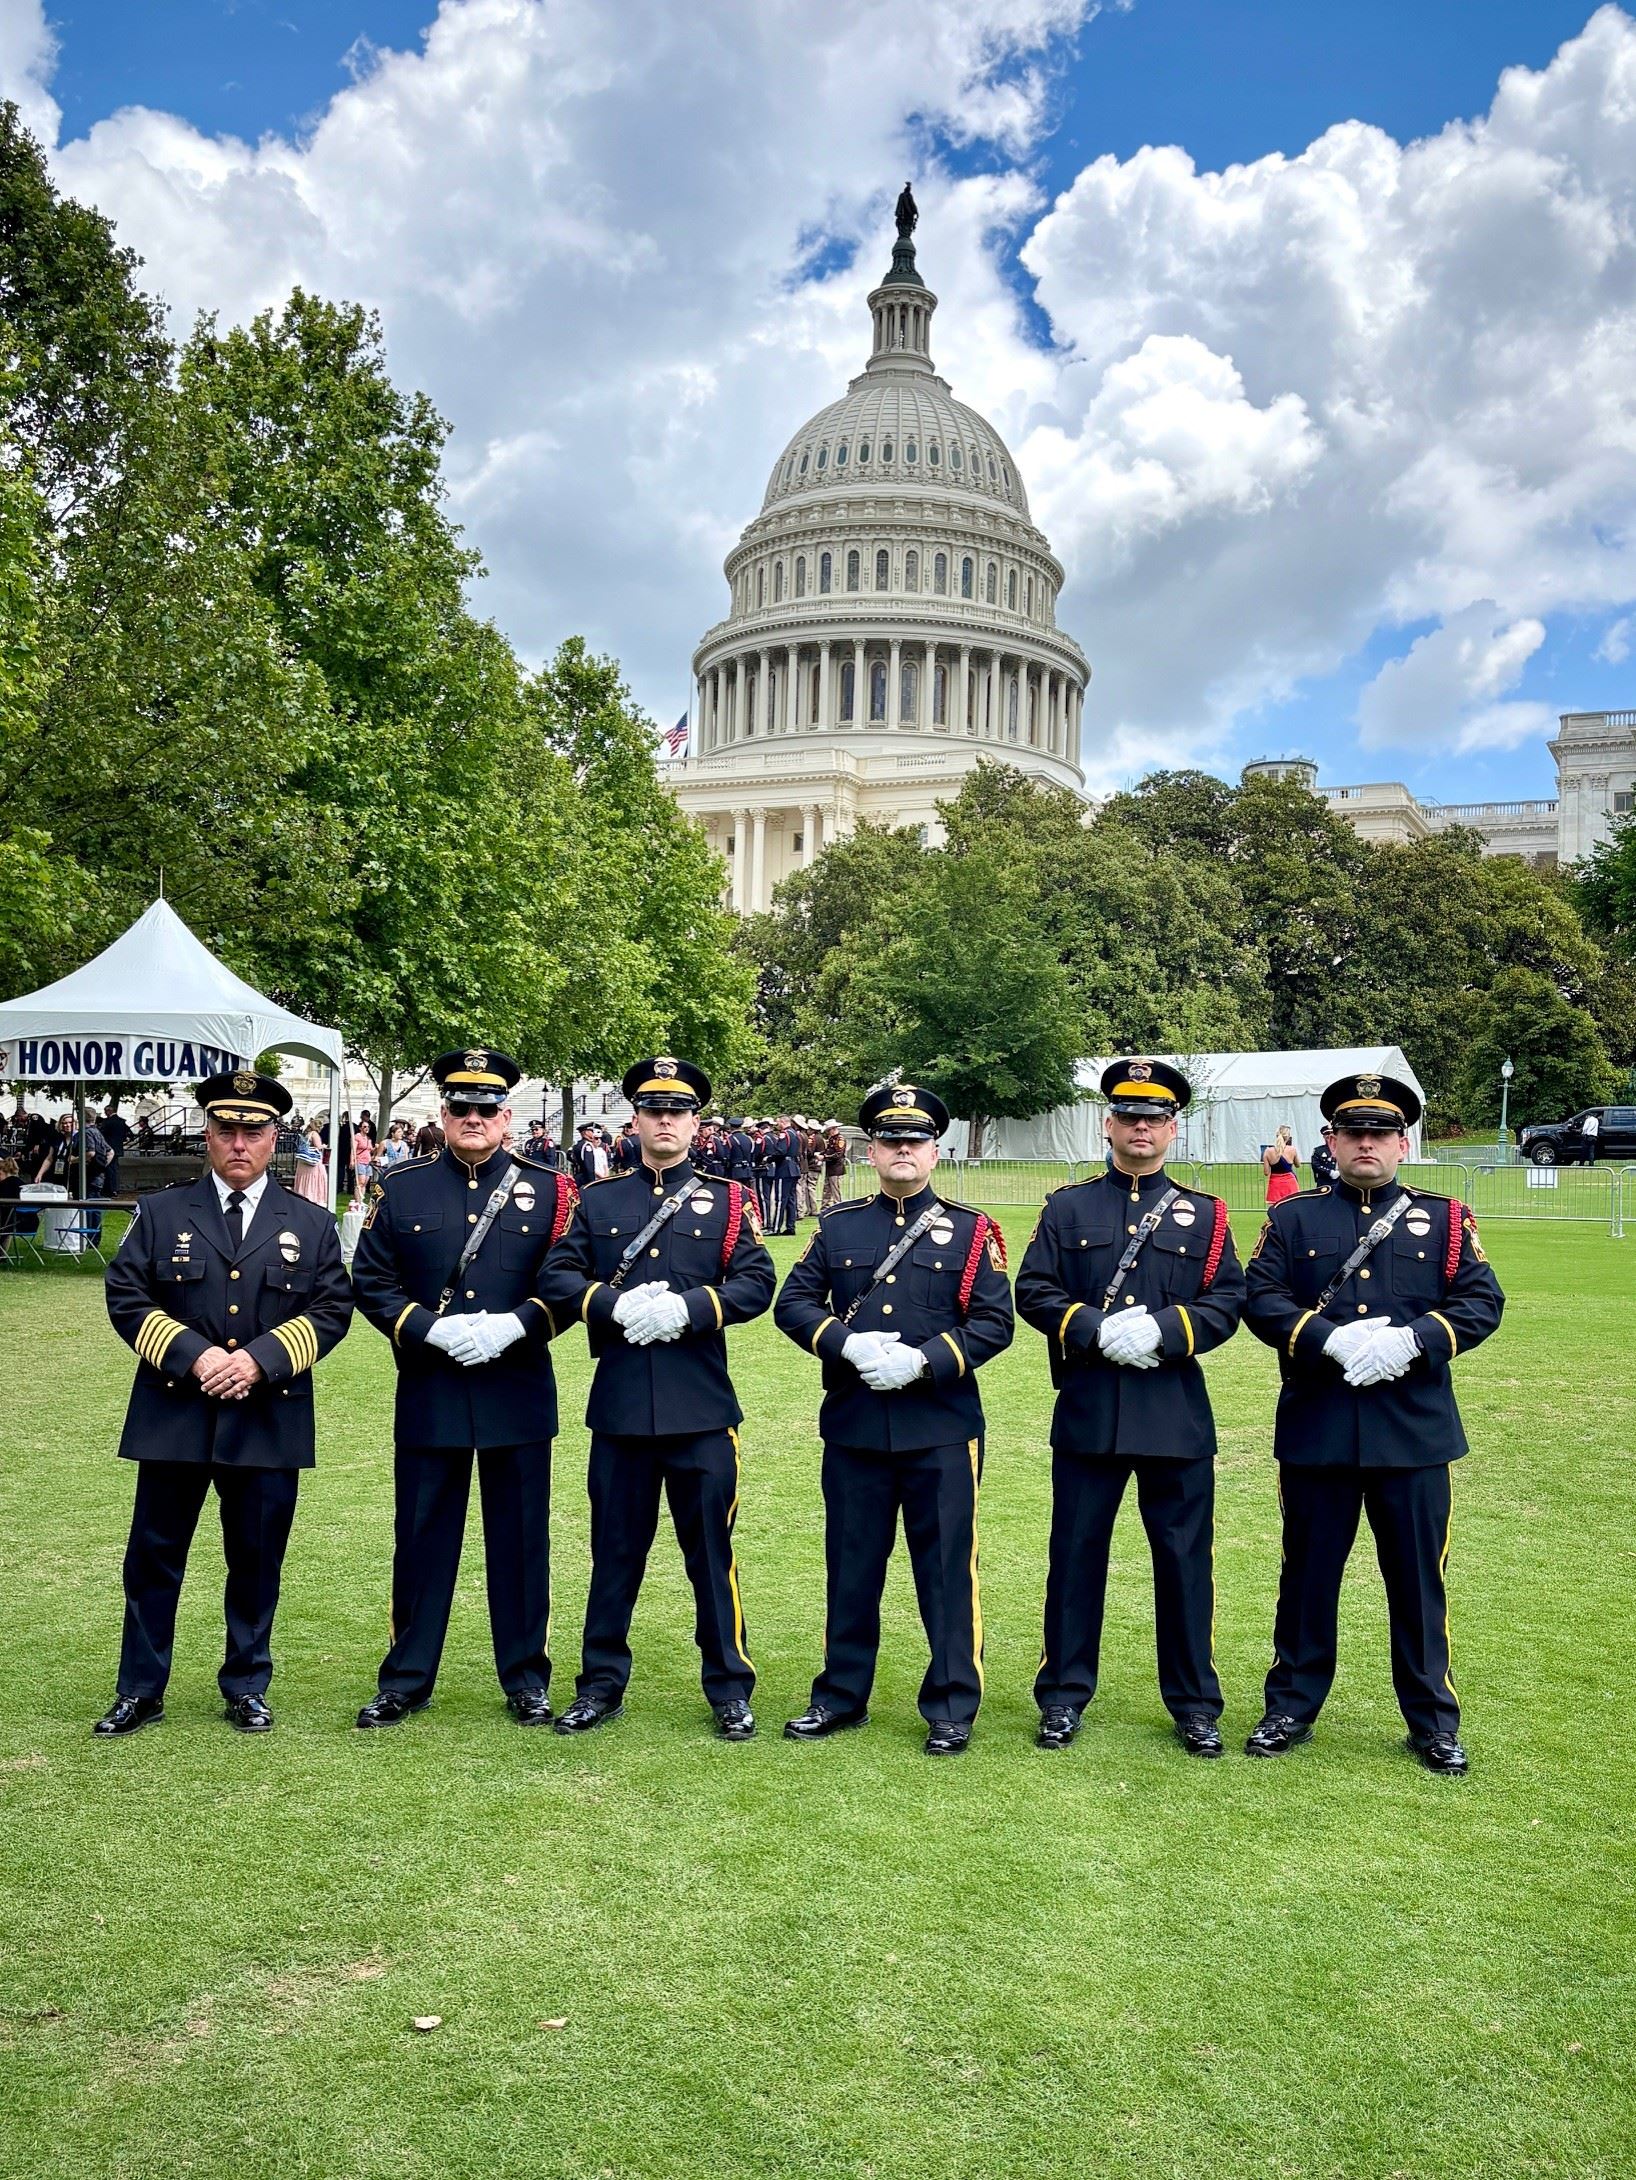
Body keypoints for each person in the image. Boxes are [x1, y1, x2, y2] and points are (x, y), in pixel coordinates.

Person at [1242, 1070, 1505, 1774]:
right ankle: (1290, 1707)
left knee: (1419, 1582)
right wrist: (1327, 1339)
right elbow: (1259, 1299)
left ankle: (1432, 1720)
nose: (1367, 1143)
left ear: (1403, 1143)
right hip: (1320, 1429)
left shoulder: (1446, 1220)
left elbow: (1482, 1303)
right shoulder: (1293, 1219)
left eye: (1381, 1132)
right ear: (1331, 1140)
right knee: (1306, 1579)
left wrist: (1411, 1342)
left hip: (1412, 1433)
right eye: (1354, 1131)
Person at [93, 1070, 354, 1735]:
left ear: (276, 1138)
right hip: (174, 1411)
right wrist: (197, 1355)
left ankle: (246, 1684)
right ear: (208, 1135)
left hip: (267, 1414)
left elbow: (331, 1310)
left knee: (257, 1556)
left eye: (254, 1131)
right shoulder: (160, 1213)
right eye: (227, 1130)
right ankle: (140, 1689)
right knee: (153, 1556)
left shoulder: (313, 1224)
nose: (240, 1143)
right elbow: (127, 1297)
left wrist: (258, 1361)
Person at [774, 1083, 1014, 1756]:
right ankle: (842, 1696)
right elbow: (792, 1303)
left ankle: (950, 1704)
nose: (902, 1151)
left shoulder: (972, 1232)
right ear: (871, 1151)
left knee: (945, 1569)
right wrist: (845, 1344)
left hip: (940, 1427)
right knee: (851, 1566)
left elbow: (996, 1324)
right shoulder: (840, 1226)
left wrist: (925, 1361)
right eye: (889, 1140)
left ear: (934, 1151)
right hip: (855, 1426)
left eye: (914, 1141)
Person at [1015, 1060, 1245, 1757]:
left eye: (1154, 1119)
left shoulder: (1205, 1215)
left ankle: (1195, 1704)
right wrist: (1092, 1328)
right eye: (1129, 1117)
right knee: (1075, 1558)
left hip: (1173, 1411)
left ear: (1171, 1129)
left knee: (1184, 1564)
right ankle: (1062, 1696)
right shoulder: (1067, 1208)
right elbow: (1035, 1290)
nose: (1140, 1129)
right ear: (1107, 1125)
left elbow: (1228, 1299)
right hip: (1090, 1406)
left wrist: (1165, 1332)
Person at [540, 1057, 774, 1738]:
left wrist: (691, 1310)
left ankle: (730, 1687)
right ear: (635, 1120)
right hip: (619, 1411)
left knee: (711, 1554)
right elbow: (560, 1273)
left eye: (678, 1111)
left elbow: (755, 1283)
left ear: (695, 1122)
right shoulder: (601, 1199)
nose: (665, 1121)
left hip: (701, 1410)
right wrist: (611, 1306)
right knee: (614, 1554)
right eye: (653, 1110)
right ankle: (599, 1686)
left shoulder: (730, 1201)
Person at [349, 1048, 576, 1729]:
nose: (472, 1118)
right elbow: (371, 1279)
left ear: (507, 1117)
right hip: (432, 1386)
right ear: (442, 1114)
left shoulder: (555, 1189)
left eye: (487, 1108)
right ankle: (407, 1678)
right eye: (460, 1107)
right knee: (420, 1538)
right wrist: (425, 1329)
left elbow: (568, 1282)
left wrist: (518, 1327)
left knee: (521, 1541)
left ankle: (526, 1678)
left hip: (517, 1386)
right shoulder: (401, 1185)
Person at [290, 1122, 329, 1203]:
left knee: (304, 1178)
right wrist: (324, 1146)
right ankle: (314, 1196)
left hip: (303, 1161)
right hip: (312, 1161)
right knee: (316, 1177)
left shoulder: (306, 1134)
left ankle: (303, 1194)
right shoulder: (314, 1134)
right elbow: (318, 1147)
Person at [1262, 1125, 1300, 1205]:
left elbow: (1266, 1172)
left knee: (1275, 1208)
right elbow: (1298, 1164)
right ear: (1288, 1137)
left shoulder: (1268, 1151)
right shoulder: (1292, 1149)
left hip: (1275, 1182)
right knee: (1291, 1206)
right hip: (1290, 1182)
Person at [821, 1121, 847, 1211]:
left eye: (829, 1130)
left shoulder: (840, 1139)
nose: (828, 1132)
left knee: (835, 1189)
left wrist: (824, 1157)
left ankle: (838, 1207)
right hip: (830, 1168)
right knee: (826, 1189)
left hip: (836, 1168)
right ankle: (824, 1207)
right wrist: (821, 1155)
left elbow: (838, 1154)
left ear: (833, 1129)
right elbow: (828, 1151)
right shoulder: (831, 1139)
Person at [1310, 1122, 1340, 1189]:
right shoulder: (1318, 1150)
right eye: (1327, 1134)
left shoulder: (1342, 1149)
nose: (1329, 1136)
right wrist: (1330, 1172)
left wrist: (1340, 1172)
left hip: (1339, 1182)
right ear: (1323, 1136)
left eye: (1331, 1133)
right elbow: (1315, 1165)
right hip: (1324, 1182)